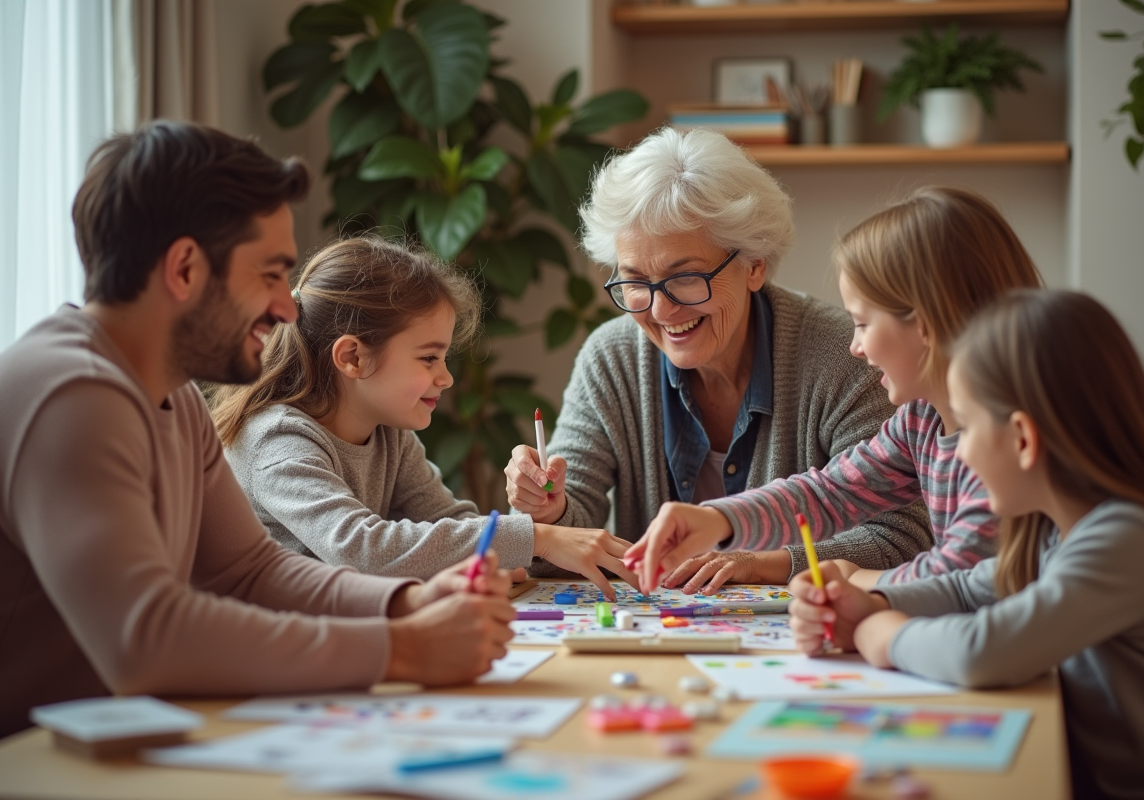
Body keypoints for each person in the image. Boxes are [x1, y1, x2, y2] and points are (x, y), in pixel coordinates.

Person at [0, 121, 515, 739]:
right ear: (185, 269)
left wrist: (405, 603)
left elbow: (249, 572)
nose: (288, 308)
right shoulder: (73, 392)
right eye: (269, 274)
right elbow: (144, 639)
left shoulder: (174, 396)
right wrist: (401, 648)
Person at [789, 290, 1144, 799]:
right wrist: (871, 602)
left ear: (1023, 439)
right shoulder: (1054, 530)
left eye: (966, 427)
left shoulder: (1128, 539)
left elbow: (984, 651)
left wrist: (880, 633)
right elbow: (970, 589)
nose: (958, 452)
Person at [504, 127, 932, 588]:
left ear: (754, 265)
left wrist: (762, 562)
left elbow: (901, 538)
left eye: (686, 278)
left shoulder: (844, 356)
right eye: (636, 281)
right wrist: (549, 511)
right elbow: (556, 551)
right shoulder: (612, 359)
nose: (660, 310)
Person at [629, 187, 1043, 591]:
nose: (855, 347)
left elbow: (957, 582)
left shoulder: (1004, 442)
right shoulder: (920, 421)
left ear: (925, 324)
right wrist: (718, 520)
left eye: (862, 323)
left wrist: (853, 578)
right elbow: (829, 493)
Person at [213, 235, 638, 598]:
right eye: (429, 358)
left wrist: (499, 552)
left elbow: (449, 523)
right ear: (353, 357)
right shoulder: (275, 439)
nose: (446, 378)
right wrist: (536, 538)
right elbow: (362, 548)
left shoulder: (389, 436)